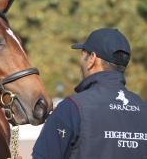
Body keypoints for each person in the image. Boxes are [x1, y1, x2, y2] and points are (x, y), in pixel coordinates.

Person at [33, 28, 147, 159]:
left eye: (82, 54)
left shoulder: (72, 108)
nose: (80, 61)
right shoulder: (144, 108)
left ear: (92, 58)